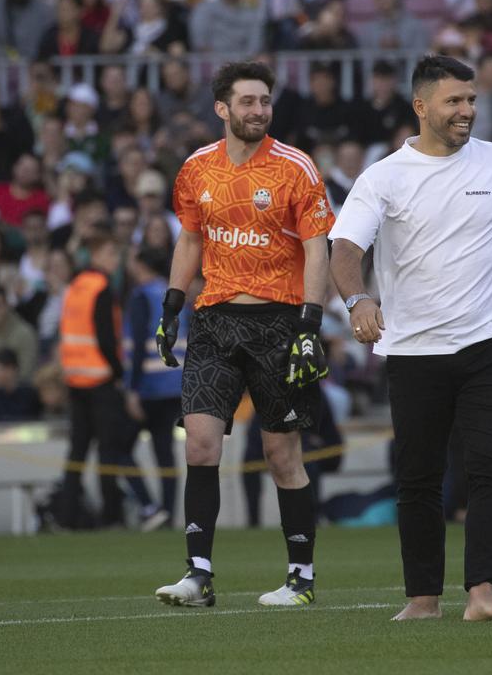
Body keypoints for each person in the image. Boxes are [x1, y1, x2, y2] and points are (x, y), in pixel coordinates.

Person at [329, 55, 492, 622]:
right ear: (421, 107)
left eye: (471, 100)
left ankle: (482, 594)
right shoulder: (383, 176)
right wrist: (359, 300)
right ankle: (422, 600)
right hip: (415, 349)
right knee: (419, 477)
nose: (467, 111)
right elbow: (345, 250)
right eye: (454, 101)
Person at [154, 61, 334, 609]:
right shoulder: (195, 169)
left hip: (279, 323)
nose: (258, 110)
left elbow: (316, 247)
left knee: (282, 457)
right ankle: (198, 575)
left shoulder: (295, 168)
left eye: (265, 101)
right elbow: (189, 241)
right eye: (248, 102)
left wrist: (309, 325)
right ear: (223, 109)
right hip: (214, 321)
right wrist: (171, 306)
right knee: (201, 444)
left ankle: (300, 578)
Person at [59, 233, 145, 528]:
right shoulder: (102, 288)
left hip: (75, 380)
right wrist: (121, 374)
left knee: (77, 452)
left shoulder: (75, 287)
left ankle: (66, 515)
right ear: (95, 255)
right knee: (107, 450)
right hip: (100, 381)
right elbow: (106, 338)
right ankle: (112, 515)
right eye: (109, 253)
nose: (114, 259)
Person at [124, 245, 188, 528]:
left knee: (117, 447)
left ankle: (151, 507)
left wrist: (131, 389)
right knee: (165, 453)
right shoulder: (173, 293)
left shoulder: (140, 297)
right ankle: (168, 514)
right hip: (174, 383)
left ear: (140, 265)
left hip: (149, 386)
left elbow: (139, 344)